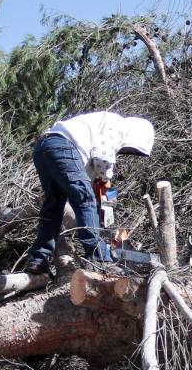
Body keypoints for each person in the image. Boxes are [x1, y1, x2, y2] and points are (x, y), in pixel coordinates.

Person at [23, 111, 154, 275]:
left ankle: (38, 259)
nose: (127, 151)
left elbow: (91, 174)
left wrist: (102, 196)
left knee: (53, 206)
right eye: (131, 149)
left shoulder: (100, 126)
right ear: (135, 134)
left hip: (44, 147)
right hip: (63, 146)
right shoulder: (117, 126)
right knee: (86, 200)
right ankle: (98, 257)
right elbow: (102, 163)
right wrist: (106, 191)